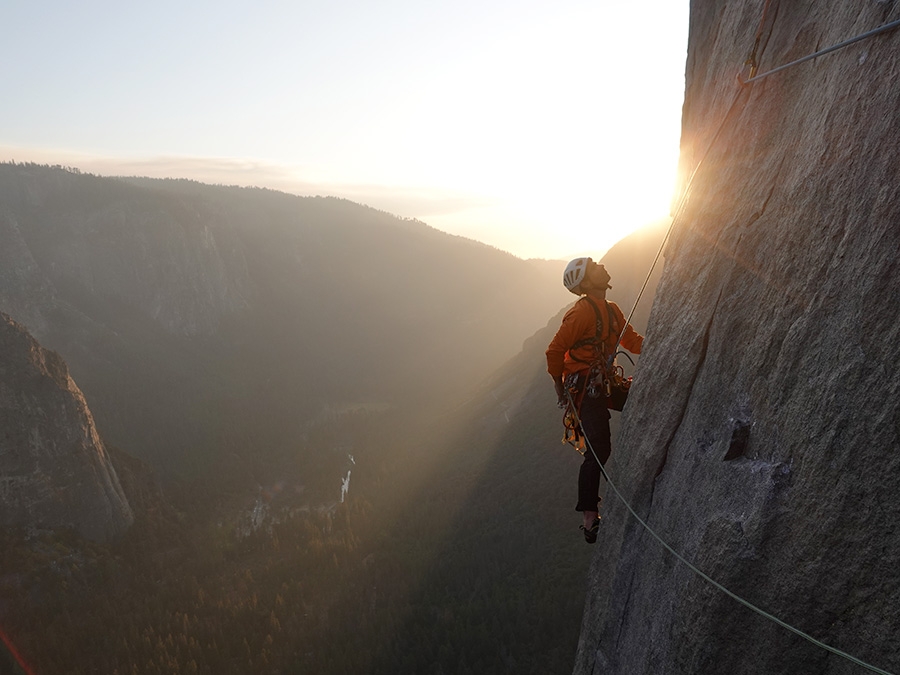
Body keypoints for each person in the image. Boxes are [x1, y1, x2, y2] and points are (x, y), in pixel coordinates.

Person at [545, 257, 644, 543]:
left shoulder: (612, 311)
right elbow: (554, 351)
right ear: (586, 283)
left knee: (642, 395)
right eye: (594, 268)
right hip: (585, 387)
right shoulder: (581, 314)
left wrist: (659, 347)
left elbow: (631, 340)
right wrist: (558, 386)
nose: (602, 267)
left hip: (602, 382)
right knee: (599, 448)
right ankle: (589, 517)